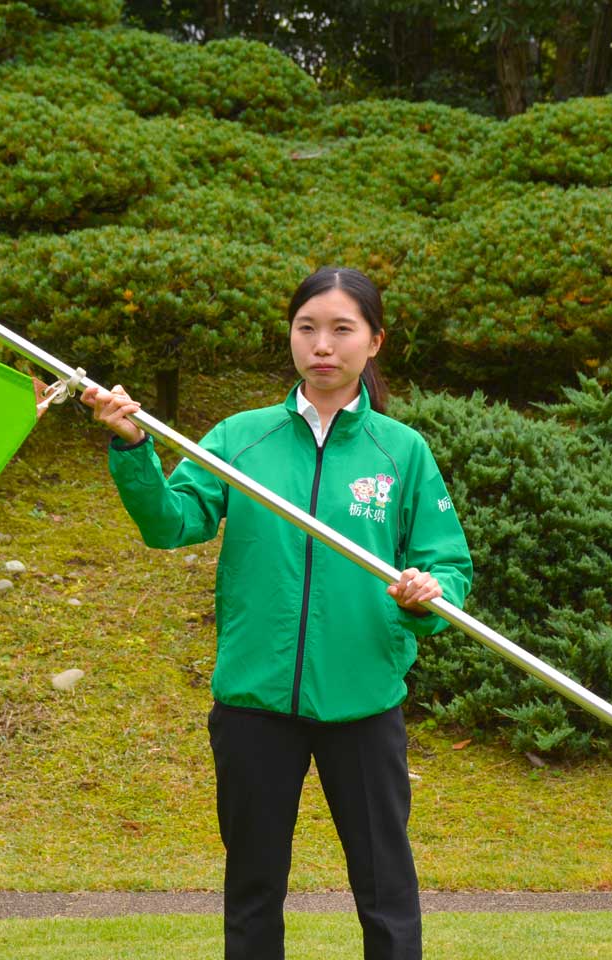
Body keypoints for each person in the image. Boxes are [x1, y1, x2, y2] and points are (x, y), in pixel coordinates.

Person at [80, 266, 472, 960]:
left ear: (374, 342)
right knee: (254, 888)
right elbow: (172, 524)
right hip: (255, 702)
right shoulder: (241, 439)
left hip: (363, 700)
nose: (323, 345)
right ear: (291, 337)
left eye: (342, 329)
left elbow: (450, 568)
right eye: (307, 328)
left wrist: (427, 598)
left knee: (385, 891)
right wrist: (136, 449)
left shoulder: (401, 452)